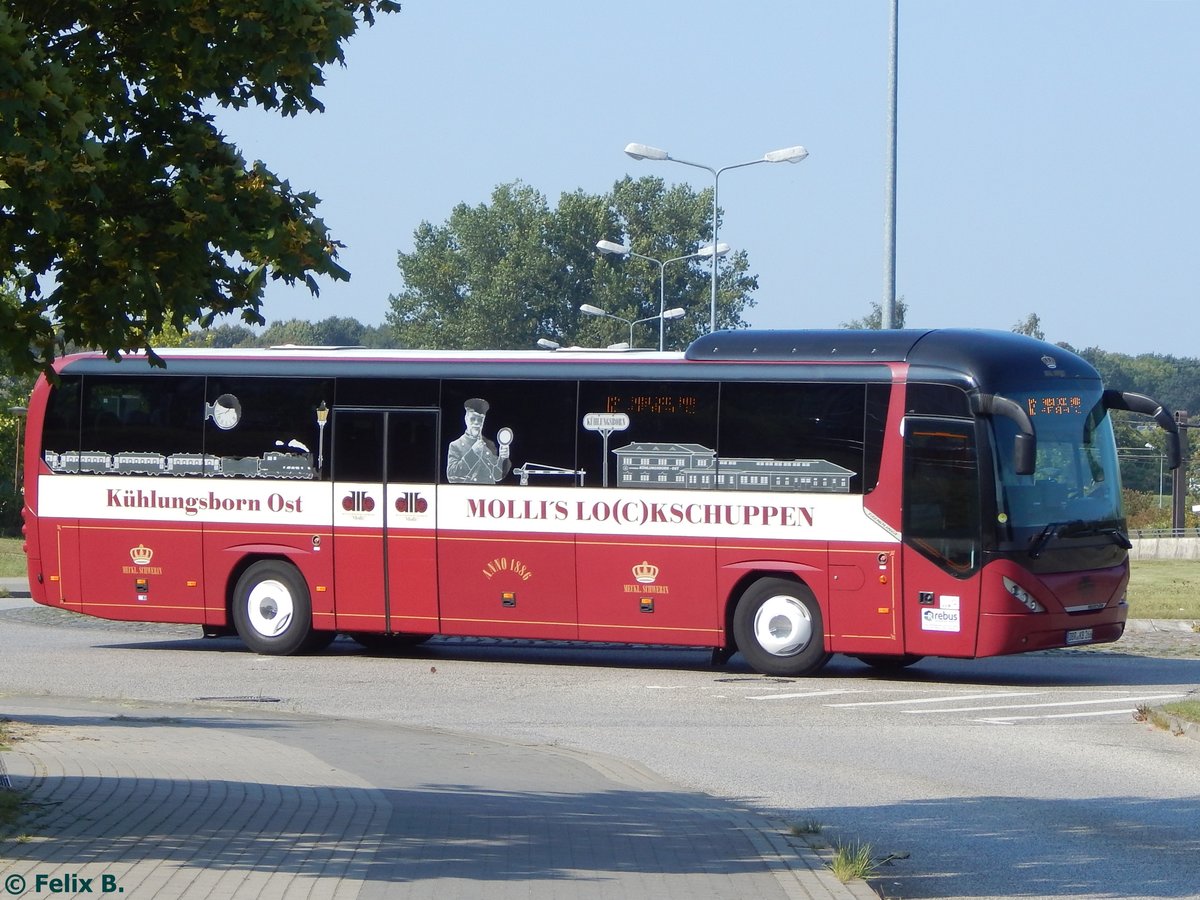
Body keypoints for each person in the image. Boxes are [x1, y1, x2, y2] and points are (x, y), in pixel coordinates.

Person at [446, 398, 511, 483]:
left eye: (480, 419)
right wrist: (473, 452)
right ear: (466, 420)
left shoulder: (489, 444)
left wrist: (503, 459)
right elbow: (451, 475)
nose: (476, 423)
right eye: (473, 419)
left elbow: (497, 475)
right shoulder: (456, 445)